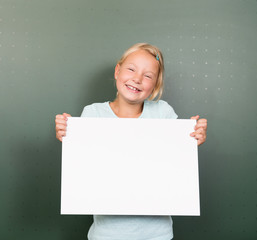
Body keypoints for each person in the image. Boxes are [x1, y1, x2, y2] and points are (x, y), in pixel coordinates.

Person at [55, 43, 207, 240]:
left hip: (157, 234)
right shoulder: (93, 114)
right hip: (106, 234)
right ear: (118, 71)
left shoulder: (163, 113)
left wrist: (193, 139)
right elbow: (87, 169)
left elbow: (175, 163)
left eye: (148, 76)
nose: (137, 79)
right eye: (131, 69)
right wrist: (69, 138)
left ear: (155, 85)